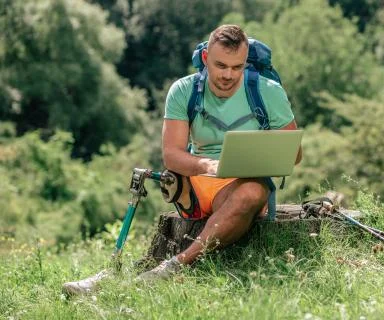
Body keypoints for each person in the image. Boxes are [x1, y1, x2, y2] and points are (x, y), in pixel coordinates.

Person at [62, 24, 301, 294]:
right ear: (206, 59)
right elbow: (172, 154)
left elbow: (294, 154)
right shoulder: (184, 90)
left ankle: (173, 266)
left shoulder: (268, 91)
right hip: (197, 183)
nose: (229, 75)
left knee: (251, 192)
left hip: (242, 184)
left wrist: (256, 159)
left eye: (237, 67)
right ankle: (112, 273)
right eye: (221, 65)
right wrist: (207, 166)